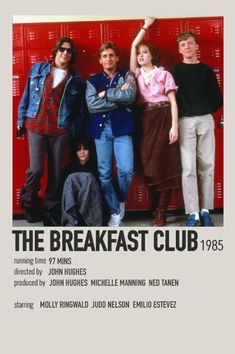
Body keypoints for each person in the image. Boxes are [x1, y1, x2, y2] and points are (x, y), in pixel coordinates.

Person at [17, 37, 86, 226]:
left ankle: (50, 209)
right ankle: (29, 202)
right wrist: (20, 121)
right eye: (62, 49)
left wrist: (71, 131)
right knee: (36, 169)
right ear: (56, 51)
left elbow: (79, 111)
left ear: (72, 56)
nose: (65, 53)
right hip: (36, 125)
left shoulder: (75, 79)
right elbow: (26, 96)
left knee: (56, 173)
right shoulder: (38, 69)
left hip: (59, 129)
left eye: (69, 51)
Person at [130, 17, 181, 226]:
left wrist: (174, 126)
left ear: (152, 55)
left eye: (145, 52)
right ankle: (155, 207)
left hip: (164, 116)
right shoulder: (136, 73)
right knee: (148, 164)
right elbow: (133, 45)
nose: (141, 55)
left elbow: (173, 101)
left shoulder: (163, 73)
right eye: (139, 53)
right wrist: (145, 26)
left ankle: (161, 211)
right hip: (145, 119)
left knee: (165, 164)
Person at [170, 30, 223, 226]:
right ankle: (193, 212)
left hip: (205, 120)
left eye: (190, 43)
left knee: (207, 166)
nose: (187, 47)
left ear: (196, 46)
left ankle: (205, 210)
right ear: (179, 49)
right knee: (188, 168)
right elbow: (171, 99)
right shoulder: (174, 71)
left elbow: (218, 98)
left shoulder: (207, 71)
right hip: (184, 122)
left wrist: (203, 110)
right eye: (183, 45)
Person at [85, 41, 137, 227]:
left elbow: (130, 96)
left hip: (122, 129)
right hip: (101, 130)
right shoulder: (92, 81)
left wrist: (105, 94)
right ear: (100, 60)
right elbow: (92, 106)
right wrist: (118, 97)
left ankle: (120, 199)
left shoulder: (127, 75)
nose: (108, 59)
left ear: (117, 58)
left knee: (125, 169)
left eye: (111, 55)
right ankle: (115, 211)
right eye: (104, 56)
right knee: (105, 174)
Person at [60, 137, 103, 226]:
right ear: (75, 152)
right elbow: (64, 194)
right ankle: (72, 220)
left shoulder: (97, 169)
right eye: (79, 149)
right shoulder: (68, 170)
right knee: (71, 178)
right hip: (73, 207)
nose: (82, 152)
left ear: (90, 151)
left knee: (89, 177)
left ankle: (86, 218)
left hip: (91, 209)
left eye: (85, 149)